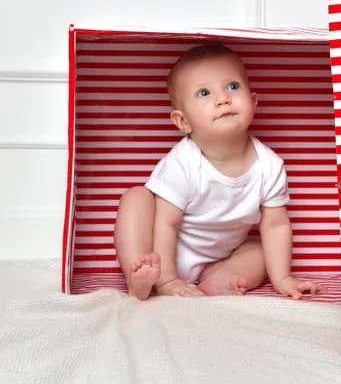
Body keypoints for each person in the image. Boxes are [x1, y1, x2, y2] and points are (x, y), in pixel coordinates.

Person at [114, 44, 324, 300]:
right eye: (204, 92)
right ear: (183, 121)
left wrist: (282, 277)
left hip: (222, 257)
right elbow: (165, 224)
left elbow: (276, 224)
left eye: (233, 87)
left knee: (261, 251)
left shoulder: (269, 165)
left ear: (253, 102)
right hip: (161, 253)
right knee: (136, 197)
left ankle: (217, 280)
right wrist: (168, 279)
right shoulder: (183, 162)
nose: (223, 98)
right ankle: (141, 277)